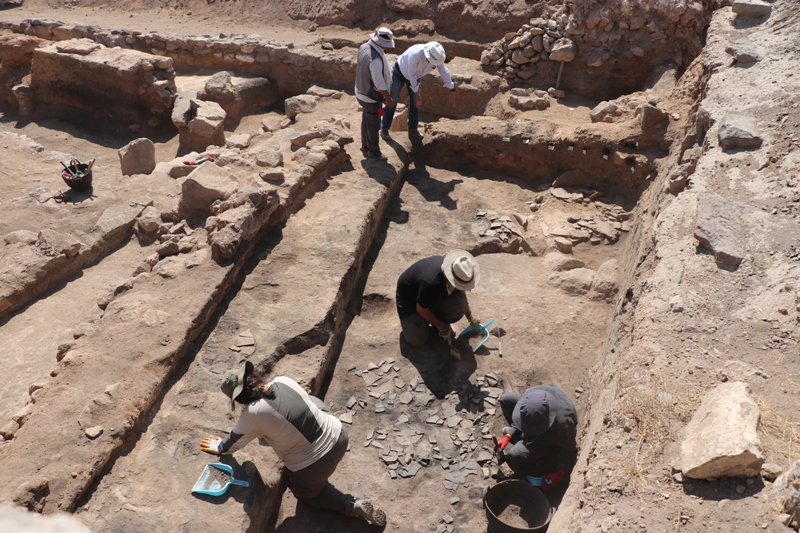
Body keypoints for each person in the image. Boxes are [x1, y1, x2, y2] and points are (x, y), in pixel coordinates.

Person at [200, 362, 386, 527]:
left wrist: (218, 446)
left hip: (313, 466)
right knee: (311, 402)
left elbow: (230, 445)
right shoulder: (282, 381)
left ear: (238, 399)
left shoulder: (252, 414)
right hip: (339, 436)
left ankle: (351, 505)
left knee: (308, 495)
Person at [494, 384, 578, 491]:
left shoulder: (562, 425)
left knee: (514, 456)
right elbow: (526, 415)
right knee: (506, 399)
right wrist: (509, 435)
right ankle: (521, 437)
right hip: (539, 420)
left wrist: (559, 474)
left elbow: (571, 451)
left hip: (551, 439)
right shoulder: (531, 395)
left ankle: (539, 461)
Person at [395, 250, 481, 348]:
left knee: (460, 305)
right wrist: (441, 326)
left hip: (430, 296)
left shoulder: (455, 270)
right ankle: (425, 325)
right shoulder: (431, 283)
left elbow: (461, 291)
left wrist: (470, 316)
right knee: (417, 341)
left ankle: (434, 318)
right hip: (411, 301)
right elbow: (421, 309)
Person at [380, 41, 457, 142]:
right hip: (399, 73)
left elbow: (444, 71)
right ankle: (384, 128)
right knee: (393, 100)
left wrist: (452, 89)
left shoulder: (437, 56)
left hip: (416, 76)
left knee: (416, 104)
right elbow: (411, 74)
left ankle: (413, 129)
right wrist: (416, 93)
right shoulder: (416, 54)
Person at [355, 27, 395, 160]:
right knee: (374, 124)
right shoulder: (376, 60)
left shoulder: (363, 47)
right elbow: (380, 85)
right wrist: (388, 99)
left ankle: (365, 145)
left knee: (367, 118)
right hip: (370, 97)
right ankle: (374, 151)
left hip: (360, 91)